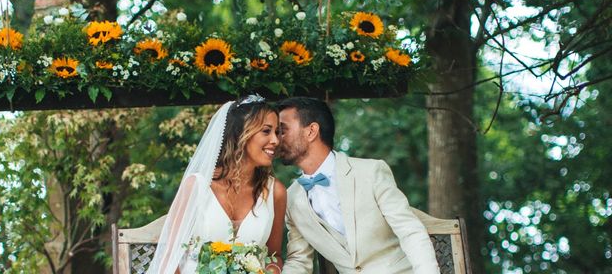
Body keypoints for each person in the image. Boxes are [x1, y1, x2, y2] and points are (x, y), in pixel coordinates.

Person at [278, 97, 440, 274]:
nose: (276, 139)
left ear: (311, 132)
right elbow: (299, 261)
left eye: (282, 130)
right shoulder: (291, 199)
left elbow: (410, 232)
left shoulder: (371, 172)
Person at [147, 95, 286, 274]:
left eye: (277, 132)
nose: (275, 140)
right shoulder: (197, 187)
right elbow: (172, 258)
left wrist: (270, 271)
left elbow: (275, 256)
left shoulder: (275, 192)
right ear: (240, 134)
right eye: (266, 131)